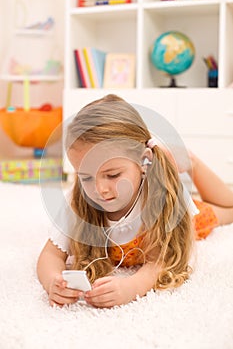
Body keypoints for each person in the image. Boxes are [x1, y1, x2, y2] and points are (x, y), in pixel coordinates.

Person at [37, 94, 233, 308]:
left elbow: (161, 260)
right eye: (86, 177)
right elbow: (50, 255)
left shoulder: (162, 194)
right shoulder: (78, 202)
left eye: (112, 175)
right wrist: (53, 281)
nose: (100, 189)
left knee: (228, 208)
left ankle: (188, 159)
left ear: (143, 161)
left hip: (183, 217)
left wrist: (130, 288)